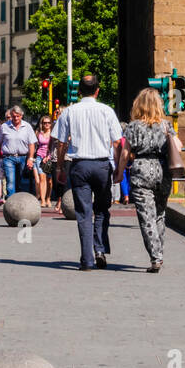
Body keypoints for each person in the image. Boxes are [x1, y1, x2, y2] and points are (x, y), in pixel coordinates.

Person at [55, 74, 122, 270]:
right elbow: (117, 142)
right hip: (101, 165)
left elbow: (61, 143)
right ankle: (99, 249)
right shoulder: (107, 111)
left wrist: (60, 167)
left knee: (83, 213)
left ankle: (86, 260)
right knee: (101, 210)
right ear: (97, 90)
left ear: (78, 91)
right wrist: (118, 168)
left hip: (79, 165)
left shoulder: (69, 112)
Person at [118, 88, 176, 273]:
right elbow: (178, 146)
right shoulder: (166, 125)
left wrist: (119, 173)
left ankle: (155, 257)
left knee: (146, 217)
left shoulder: (133, 126)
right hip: (163, 170)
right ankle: (160, 253)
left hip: (142, 170)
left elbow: (125, 153)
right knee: (160, 214)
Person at [0, 105, 36, 198]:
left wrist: (30, 158)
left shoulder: (27, 126)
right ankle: (11, 201)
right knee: (10, 181)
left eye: (18, 116)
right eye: (14, 116)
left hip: (23, 157)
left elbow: (32, 144)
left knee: (20, 181)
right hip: (8, 157)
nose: (16, 118)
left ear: (21, 116)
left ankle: (17, 201)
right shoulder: (4, 126)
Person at [33, 115, 54, 207]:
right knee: (42, 179)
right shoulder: (38, 133)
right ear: (42, 123)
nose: (46, 124)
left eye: (48, 122)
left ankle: (48, 198)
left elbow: (53, 147)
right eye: (44, 123)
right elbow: (34, 145)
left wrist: (48, 156)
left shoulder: (53, 133)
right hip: (39, 157)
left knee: (49, 181)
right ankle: (42, 200)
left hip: (49, 158)